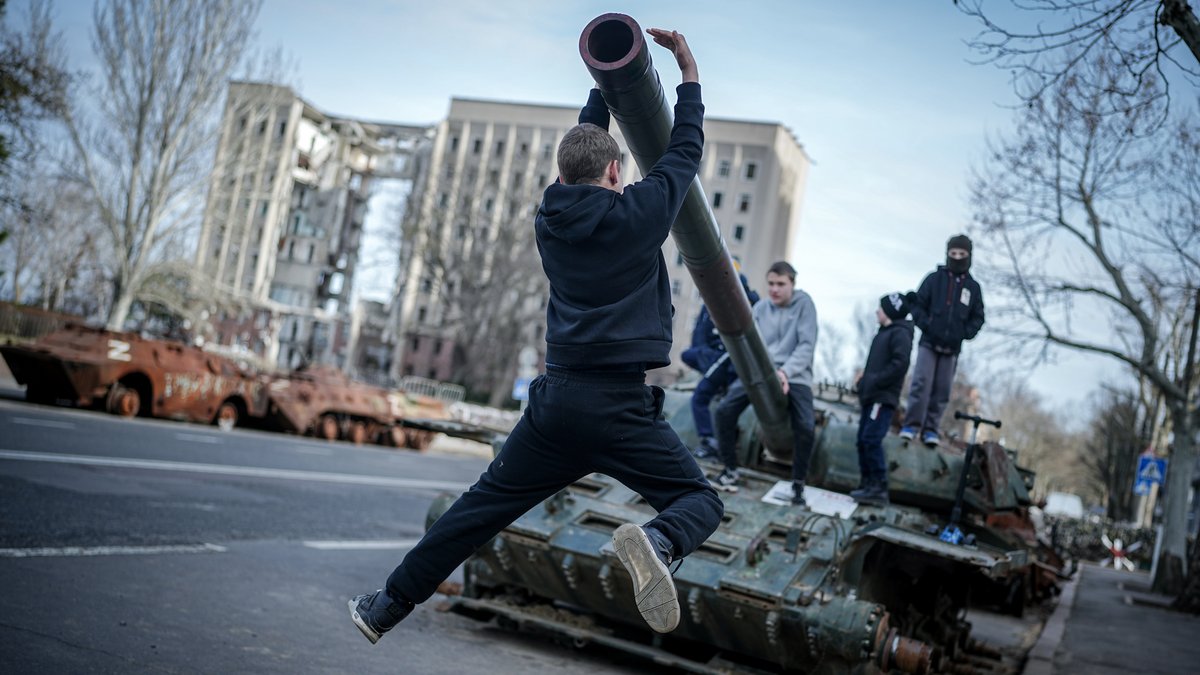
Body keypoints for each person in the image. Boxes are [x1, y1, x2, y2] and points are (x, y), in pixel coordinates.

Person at [349, 28, 723, 644]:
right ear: (613, 169)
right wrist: (688, 73)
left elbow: (586, 144)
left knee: (476, 511)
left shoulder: (548, 218)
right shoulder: (641, 215)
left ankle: (383, 607)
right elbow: (684, 150)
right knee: (698, 502)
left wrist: (604, 83)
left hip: (556, 406)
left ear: (564, 172)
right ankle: (656, 541)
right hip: (621, 408)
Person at [711, 261, 817, 504]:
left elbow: (806, 346)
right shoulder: (760, 308)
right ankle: (730, 469)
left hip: (795, 375)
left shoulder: (805, 305)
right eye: (771, 284)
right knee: (724, 411)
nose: (775, 289)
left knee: (806, 427)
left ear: (792, 284)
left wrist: (786, 372)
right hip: (760, 374)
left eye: (781, 284)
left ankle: (798, 484)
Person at [899, 234, 985, 447]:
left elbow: (978, 317)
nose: (957, 257)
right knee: (921, 383)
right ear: (947, 254)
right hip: (928, 343)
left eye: (961, 254)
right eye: (953, 253)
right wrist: (927, 324)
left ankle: (931, 429)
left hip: (952, 349)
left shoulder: (973, 288)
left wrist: (964, 332)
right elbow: (917, 305)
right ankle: (911, 425)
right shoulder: (933, 280)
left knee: (942, 390)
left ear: (969, 256)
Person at [680, 269, 759, 458]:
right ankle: (709, 439)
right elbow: (700, 333)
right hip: (711, 356)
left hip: (729, 358)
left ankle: (710, 441)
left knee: (700, 397)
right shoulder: (712, 301)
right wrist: (706, 355)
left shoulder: (750, 304)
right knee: (688, 355)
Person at [850, 292, 914, 506]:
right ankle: (867, 484)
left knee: (871, 439)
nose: (877, 311)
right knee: (862, 440)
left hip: (882, 397)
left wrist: (875, 381)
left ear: (891, 311)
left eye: (881, 307)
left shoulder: (900, 334)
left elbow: (899, 364)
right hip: (871, 396)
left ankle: (878, 486)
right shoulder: (884, 333)